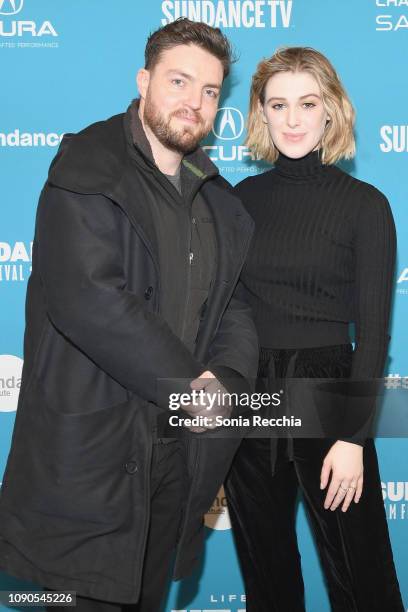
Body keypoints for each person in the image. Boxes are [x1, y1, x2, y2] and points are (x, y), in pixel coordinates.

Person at [0, 18, 258, 612]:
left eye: (211, 91)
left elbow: (235, 307)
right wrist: (194, 387)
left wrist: (229, 385)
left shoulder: (218, 201)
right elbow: (89, 299)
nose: (194, 102)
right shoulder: (87, 167)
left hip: (176, 457)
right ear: (144, 81)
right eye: (178, 81)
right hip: (92, 458)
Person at [224, 47, 404, 611]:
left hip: (328, 390)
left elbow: (374, 334)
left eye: (308, 102)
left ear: (331, 111)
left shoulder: (365, 206)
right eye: (279, 104)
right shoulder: (238, 200)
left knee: (361, 569)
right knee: (265, 570)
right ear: (262, 114)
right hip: (251, 393)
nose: (293, 118)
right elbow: (226, 315)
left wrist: (352, 437)